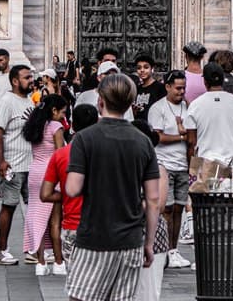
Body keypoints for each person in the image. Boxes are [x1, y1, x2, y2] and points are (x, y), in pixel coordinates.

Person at [64, 75, 163, 301]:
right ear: (129, 104)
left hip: (94, 238)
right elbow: (153, 199)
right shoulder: (143, 141)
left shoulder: (84, 138)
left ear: (100, 101)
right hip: (131, 240)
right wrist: (148, 244)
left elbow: (72, 188)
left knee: (80, 298)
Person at [39, 104, 95, 275]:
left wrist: (67, 194)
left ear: (73, 125)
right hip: (101, 226)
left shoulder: (60, 155)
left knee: (77, 280)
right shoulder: (108, 153)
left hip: (72, 226)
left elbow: (45, 194)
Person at [145, 74, 192, 266]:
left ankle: (173, 249)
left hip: (183, 164)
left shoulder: (187, 106)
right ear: (168, 87)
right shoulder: (158, 108)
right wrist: (182, 137)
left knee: (179, 207)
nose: (182, 92)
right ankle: (163, 250)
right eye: (178, 88)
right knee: (166, 208)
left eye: (184, 88)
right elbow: (158, 137)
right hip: (164, 164)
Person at [0, 64, 34, 265]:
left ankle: (33, 249)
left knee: (34, 207)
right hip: (12, 164)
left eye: (31, 77)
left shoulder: (29, 101)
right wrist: (1, 160)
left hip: (29, 164)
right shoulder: (7, 102)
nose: (31, 80)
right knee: (9, 206)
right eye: (27, 77)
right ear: (15, 81)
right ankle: (2, 251)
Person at [21, 94, 68, 270]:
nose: (64, 116)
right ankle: (58, 262)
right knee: (55, 221)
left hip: (35, 172)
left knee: (37, 218)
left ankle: (40, 263)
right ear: (54, 110)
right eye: (63, 112)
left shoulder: (36, 125)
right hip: (51, 174)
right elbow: (60, 154)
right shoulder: (55, 126)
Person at [186, 60, 233, 189]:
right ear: (222, 79)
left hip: (206, 165)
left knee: (207, 201)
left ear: (205, 82)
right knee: (232, 200)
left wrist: (191, 169)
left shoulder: (195, 105)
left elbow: (191, 141)